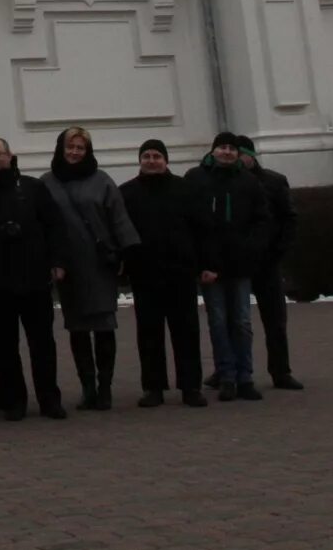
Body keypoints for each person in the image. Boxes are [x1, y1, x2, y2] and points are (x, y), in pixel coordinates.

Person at [0, 137, 70, 421]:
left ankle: (49, 399)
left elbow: (55, 226)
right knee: (3, 347)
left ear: (10, 156)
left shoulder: (33, 188)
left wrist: (58, 261)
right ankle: (14, 401)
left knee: (42, 344)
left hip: (35, 279)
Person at [41, 126, 141, 411]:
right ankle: (88, 389)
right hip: (68, 266)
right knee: (77, 328)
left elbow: (118, 218)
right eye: (70, 147)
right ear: (60, 149)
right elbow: (43, 224)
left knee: (104, 325)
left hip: (99, 264)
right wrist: (50, 261)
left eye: (80, 148)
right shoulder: (47, 183)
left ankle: (105, 387)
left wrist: (127, 255)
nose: (74, 153)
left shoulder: (102, 181)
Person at [119, 139, 208, 409]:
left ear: (166, 160)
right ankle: (153, 387)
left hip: (180, 272)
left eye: (156, 155)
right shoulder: (127, 192)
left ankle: (191, 387)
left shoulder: (185, 189)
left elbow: (202, 229)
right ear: (140, 160)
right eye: (146, 155)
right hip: (144, 273)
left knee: (187, 332)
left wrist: (204, 263)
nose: (151, 160)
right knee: (149, 333)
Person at [187, 131, 271, 402]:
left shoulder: (248, 181)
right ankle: (226, 376)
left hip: (240, 265)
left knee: (242, 322)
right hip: (209, 266)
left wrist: (251, 249)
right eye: (222, 147)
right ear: (213, 150)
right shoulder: (196, 179)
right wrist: (201, 262)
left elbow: (261, 220)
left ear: (238, 153)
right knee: (219, 322)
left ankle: (245, 376)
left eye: (231, 148)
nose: (226, 152)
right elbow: (191, 223)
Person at [235, 134, 304, 391]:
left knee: (275, 320)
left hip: (267, 261)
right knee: (234, 321)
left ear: (251, 155)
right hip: (238, 262)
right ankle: (229, 370)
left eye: (241, 153)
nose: (237, 158)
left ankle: (280, 370)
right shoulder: (227, 183)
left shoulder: (273, 182)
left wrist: (277, 251)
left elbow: (288, 218)